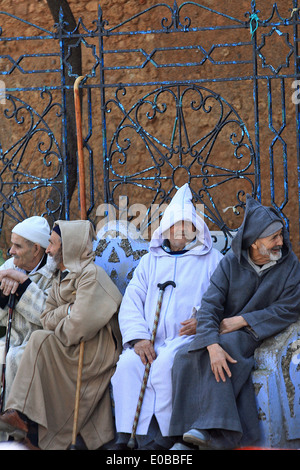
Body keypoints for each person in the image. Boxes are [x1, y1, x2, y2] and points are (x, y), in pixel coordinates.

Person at [169, 195, 300, 450]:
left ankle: (215, 435)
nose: (280, 242)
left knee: (227, 348)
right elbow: (210, 305)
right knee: (184, 354)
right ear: (253, 242)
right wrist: (210, 344)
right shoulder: (230, 263)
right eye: (273, 237)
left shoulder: (290, 265)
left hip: (257, 332)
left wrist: (241, 320)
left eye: (280, 235)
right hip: (223, 331)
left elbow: (290, 308)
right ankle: (185, 434)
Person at [110, 183, 223, 450]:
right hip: (149, 341)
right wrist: (138, 338)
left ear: (196, 228)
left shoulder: (212, 260)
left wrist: (202, 322)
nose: (180, 230)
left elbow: (223, 300)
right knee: (127, 365)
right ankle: (126, 435)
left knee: (166, 366)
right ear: (165, 230)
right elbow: (131, 301)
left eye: (187, 225)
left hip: (185, 341)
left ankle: (168, 434)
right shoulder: (150, 262)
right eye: (174, 225)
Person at [0, 220, 122, 450]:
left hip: (92, 350)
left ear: (70, 247)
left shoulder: (91, 276)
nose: (48, 250)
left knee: (34, 343)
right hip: (64, 343)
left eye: (52, 244)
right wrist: (67, 310)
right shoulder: (60, 276)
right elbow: (47, 317)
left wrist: (64, 315)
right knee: (38, 340)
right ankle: (20, 418)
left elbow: (77, 328)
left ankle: (25, 423)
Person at [0, 216, 53, 404]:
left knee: (14, 357)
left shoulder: (55, 272)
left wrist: (23, 284)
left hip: (41, 344)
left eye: (18, 246)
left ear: (36, 249)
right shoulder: (8, 267)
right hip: (11, 340)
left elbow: (47, 316)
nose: (11, 251)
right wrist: (3, 297)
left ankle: (15, 424)